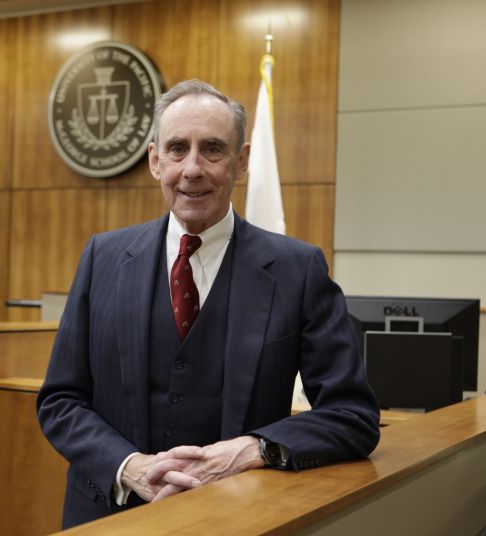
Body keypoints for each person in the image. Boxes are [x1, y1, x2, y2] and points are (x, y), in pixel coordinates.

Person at [36, 79, 380, 529]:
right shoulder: (103, 258)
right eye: (177, 149)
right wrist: (131, 467)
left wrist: (253, 449)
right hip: (107, 516)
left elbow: (352, 416)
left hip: (243, 519)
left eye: (213, 149)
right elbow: (60, 400)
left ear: (241, 162)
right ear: (155, 161)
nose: (192, 168)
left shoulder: (298, 270)